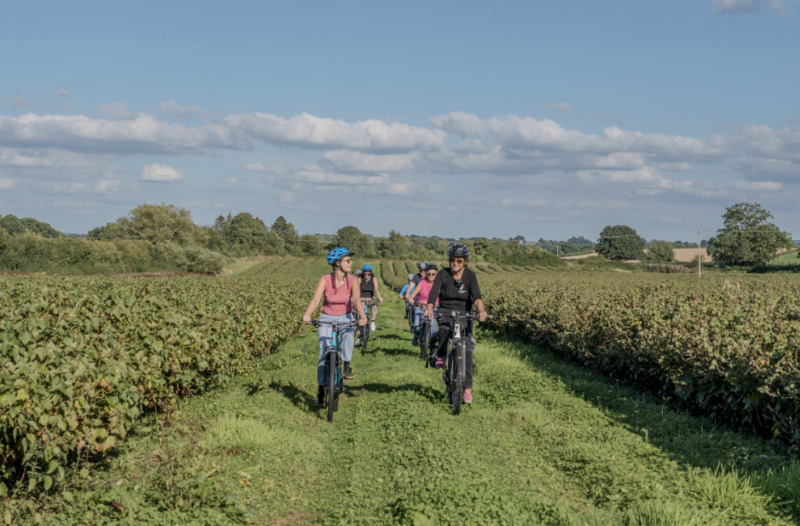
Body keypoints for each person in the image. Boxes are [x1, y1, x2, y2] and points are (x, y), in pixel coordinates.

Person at [302, 247, 367, 408]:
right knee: (323, 353)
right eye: (348, 260)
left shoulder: (353, 280)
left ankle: (346, 363)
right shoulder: (325, 280)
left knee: (348, 335)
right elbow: (316, 300)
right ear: (337, 263)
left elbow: (357, 300)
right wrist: (307, 315)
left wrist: (363, 317)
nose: (351, 263)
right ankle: (320, 389)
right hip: (326, 317)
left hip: (346, 316)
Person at [425, 244, 487, 404]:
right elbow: (433, 293)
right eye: (453, 260)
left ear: (464, 261)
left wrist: (481, 311)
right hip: (446, 311)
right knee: (444, 331)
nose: (455, 263)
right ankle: (440, 354)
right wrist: (430, 308)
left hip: (465, 314)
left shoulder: (470, 276)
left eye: (459, 261)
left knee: (466, 352)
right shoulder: (442, 274)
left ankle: (467, 389)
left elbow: (477, 297)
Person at [407, 264, 439, 348]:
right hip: (420, 306)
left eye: (433, 274)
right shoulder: (422, 283)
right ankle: (416, 336)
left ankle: (433, 345)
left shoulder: (438, 284)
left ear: (436, 275)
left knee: (433, 324)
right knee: (416, 326)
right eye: (429, 274)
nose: (431, 276)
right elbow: (413, 293)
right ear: (426, 274)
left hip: (433, 307)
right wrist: (411, 298)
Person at [404, 262, 428, 343]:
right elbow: (410, 286)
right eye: (421, 270)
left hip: (428, 302)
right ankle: (416, 335)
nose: (422, 271)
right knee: (417, 324)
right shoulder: (416, 277)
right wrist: (407, 295)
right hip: (418, 300)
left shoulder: (430, 277)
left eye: (424, 270)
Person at [358, 264, 383, 332]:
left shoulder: (374, 279)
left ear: (371, 273)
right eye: (365, 274)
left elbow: (376, 290)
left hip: (370, 297)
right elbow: (356, 289)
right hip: (361, 297)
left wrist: (380, 298)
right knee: (360, 311)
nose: (367, 275)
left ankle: (372, 321)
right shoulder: (360, 279)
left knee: (374, 306)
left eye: (368, 274)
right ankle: (360, 334)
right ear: (363, 273)